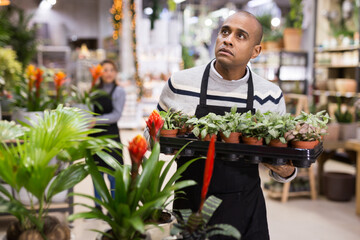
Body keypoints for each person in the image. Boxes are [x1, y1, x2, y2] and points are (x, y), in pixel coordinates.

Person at [156, 11, 296, 240]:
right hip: (190, 207)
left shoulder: (269, 95)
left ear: (256, 51)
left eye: (241, 36)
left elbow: (285, 168)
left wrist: (286, 170)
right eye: (225, 31)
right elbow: (150, 141)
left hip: (245, 208)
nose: (227, 39)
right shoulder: (180, 84)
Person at [91, 59, 126, 212]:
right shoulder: (93, 91)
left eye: (111, 69)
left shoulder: (119, 91)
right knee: (96, 173)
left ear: (115, 72)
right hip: (95, 136)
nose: (108, 73)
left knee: (113, 173)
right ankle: (98, 207)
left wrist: (95, 120)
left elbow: (116, 115)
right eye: (105, 70)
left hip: (111, 136)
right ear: (100, 73)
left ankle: (113, 207)